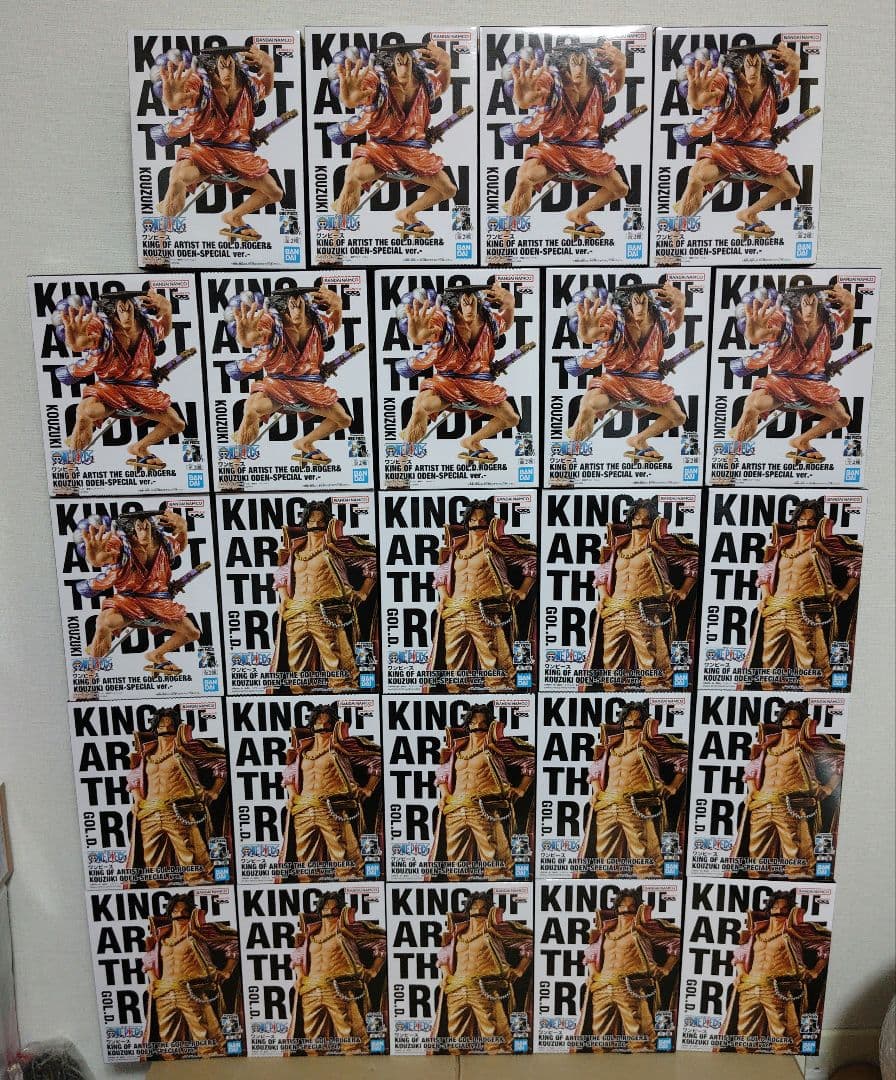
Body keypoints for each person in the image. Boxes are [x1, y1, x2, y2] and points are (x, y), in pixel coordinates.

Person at [153, 45, 284, 241]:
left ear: (236, 65)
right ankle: (160, 234)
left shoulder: (248, 85)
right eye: (221, 66)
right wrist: (172, 100)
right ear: (213, 67)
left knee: (274, 193)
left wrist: (270, 67)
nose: (226, 71)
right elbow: (181, 98)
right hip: (205, 152)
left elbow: (266, 86)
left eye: (229, 64)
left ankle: (234, 216)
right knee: (179, 177)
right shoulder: (200, 83)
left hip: (239, 156)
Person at [502, 42, 630, 239]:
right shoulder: (552, 79)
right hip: (554, 150)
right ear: (565, 63)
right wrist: (524, 99)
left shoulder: (599, 83)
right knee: (525, 176)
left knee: (620, 188)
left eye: (581, 62)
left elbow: (616, 84)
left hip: (588, 154)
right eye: (573, 63)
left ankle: (579, 214)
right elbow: (530, 96)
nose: (578, 69)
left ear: (588, 62)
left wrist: (621, 66)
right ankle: (506, 232)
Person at [672, 43, 802, 238]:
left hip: (760, 154)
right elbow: (703, 98)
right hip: (726, 151)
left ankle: (749, 214)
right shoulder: (725, 81)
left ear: (762, 64)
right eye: (747, 65)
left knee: (791, 188)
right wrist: (697, 99)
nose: (752, 71)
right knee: (697, 176)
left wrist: (796, 66)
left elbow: (789, 85)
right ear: (739, 66)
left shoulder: (772, 84)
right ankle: (675, 232)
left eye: (755, 64)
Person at [329, 42, 457, 237]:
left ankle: (408, 214)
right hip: (381, 150)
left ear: (413, 60)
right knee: (354, 175)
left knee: (448, 189)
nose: (403, 60)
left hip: (414, 153)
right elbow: (356, 96)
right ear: (391, 62)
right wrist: (350, 99)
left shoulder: (425, 82)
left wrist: (446, 66)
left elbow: (442, 84)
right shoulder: (377, 79)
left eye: (407, 55)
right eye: (398, 56)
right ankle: (335, 231)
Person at [59, 290, 184, 471]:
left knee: (177, 424)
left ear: (135, 308)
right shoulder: (102, 326)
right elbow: (84, 341)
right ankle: (70, 464)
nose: (126, 315)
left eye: (129, 309)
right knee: (87, 411)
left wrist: (168, 310)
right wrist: (76, 342)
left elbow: (164, 328)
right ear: (114, 311)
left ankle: (139, 448)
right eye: (121, 309)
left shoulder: (148, 327)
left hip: (143, 392)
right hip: (110, 389)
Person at [731, 282, 856, 463]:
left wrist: (850, 307)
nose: (809, 309)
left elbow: (844, 323)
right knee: (752, 405)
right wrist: (754, 335)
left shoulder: (828, 321)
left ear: (819, 303)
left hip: (813, 387)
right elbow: (759, 334)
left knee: (842, 419)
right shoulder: (782, 318)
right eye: (804, 303)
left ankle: (801, 441)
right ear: (796, 305)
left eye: (813, 303)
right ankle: (729, 459)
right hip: (781, 383)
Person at [745, 499, 862, 690]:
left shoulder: (823, 546)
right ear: (795, 521)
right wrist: (765, 595)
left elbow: (857, 562)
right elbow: (765, 572)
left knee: (814, 673)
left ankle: (816, 703)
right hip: (774, 612)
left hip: (805, 612)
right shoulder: (782, 547)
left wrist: (845, 592)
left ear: (819, 522)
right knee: (769, 675)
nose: (806, 523)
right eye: (802, 519)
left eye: (811, 519)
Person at [582, 499, 699, 690]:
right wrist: (603, 595)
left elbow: (693, 560)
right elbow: (602, 572)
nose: (640, 522)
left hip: (645, 611)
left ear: (653, 522)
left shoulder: (660, 544)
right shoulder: (618, 547)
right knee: (612, 675)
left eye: (646, 519)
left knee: (655, 673)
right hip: (614, 613)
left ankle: (658, 703)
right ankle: (613, 700)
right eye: (636, 518)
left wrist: (683, 591)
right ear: (630, 521)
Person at [230, 285, 352, 465]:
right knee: (251, 410)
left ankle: (305, 443)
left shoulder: (317, 323)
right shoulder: (271, 321)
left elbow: (334, 324)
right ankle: (236, 460)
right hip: (277, 386)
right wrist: (247, 338)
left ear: (306, 303)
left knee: (343, 420)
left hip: (310, 389)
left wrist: (338, 307)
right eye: (290, 304)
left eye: (298, 302)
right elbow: (254, 336)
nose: (295, 308)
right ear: (282, 307)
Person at [566, 283, 688, 460]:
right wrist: (586, 335)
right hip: (615, 383)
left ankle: (639, 440)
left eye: (643, 302)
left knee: (678, 417)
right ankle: (568, 456)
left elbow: (675, 321)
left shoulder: (659, 320)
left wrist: (681, 305)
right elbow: (594, 333)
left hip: (648, 386)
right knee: (588, 405)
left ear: (649, 302)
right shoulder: (614, 318)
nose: (639, 308)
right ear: (626, 305)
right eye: (634, 302)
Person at [400, 283, 519, 462]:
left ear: (479, 302)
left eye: (472, 303)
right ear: (456, 304)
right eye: (465, 303)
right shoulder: (443, 318)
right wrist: (418, 337)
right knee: (422, 406)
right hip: (447, 383)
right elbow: (428, 332)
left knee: (511, 418)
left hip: (479, 386)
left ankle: (472, 441)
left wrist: (510, 305)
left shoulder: (489, 320)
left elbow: (506, 323)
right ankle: (402, 458)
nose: (469, 308)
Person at [77, 507, 201, 676]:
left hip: (159, 604)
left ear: (151, 527)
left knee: (192, 633)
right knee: (104, 623)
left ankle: (156, 655)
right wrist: (94, 558)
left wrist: (183, 528)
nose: (143, 532)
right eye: (138, 528)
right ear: (131, 532)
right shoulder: (121, 544)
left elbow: (180, 543)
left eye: (145, 527)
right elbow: (104, 557)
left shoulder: (164, 544)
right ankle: (91, 670)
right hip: (128, 602)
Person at [428, 500, 537, 692]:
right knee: (455, 673)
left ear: (489, 522)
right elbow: (441, 574)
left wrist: (522, 591)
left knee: (496, 670)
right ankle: (458, 699)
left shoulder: (496, 546)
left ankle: (502, 701)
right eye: (473, 520)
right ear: (467, 522)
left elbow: (531, 561)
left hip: (484, 612)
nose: (477, 524)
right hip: (454, 613)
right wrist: (443, 596)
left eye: (482, 520)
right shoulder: (456, 549)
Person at [270, 501, 378, 693]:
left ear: (327, 523)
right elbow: (281, 574)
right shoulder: (296, 550)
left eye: (320, 521)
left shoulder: (336, 547)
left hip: (326, 613)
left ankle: (345, 702)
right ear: (306, 523)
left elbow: (372, 562)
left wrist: (363, 592)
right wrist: (284, 597)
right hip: (295, 615)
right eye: (311, 521)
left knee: (340, 674)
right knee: (298, 678)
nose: (315, 525)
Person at [732, 701, 844, 878]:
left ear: (803, 723)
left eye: (796, 719)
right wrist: (752, 790)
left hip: (790, 806)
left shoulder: (809, 745)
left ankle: (801, 887)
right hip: (761, 806)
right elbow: (751, 770)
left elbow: (841, 760)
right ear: (780, 722)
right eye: (786, 719)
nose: (791, 722)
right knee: (756, 863)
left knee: (798, 861)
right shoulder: (767, 747)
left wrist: (828, 788)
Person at [578, 701, 688, 878]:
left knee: (646, 861)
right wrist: (597, 790)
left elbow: (684, 758)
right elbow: (595, 770)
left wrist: (673, 786)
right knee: (604, 863)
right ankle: (606, 888)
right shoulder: (611, 746)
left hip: (636, 806)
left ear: (644, 723)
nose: (632, 724)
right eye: (628, 720)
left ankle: (652, 890)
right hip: (606, 806)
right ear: (623, 722)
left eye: (637, 720)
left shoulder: (650, 744)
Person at [429, 702, 535, 880]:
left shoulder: (497, 745)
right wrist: (445, 794)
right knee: (456, 869)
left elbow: (530, 760)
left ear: (490, 724)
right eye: (473, 723)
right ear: (467, 725)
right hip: (455, 810)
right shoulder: (457, 748)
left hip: (483, 808)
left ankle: (501, 892)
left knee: (497, 865)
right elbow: (442, 772)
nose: (478, 726)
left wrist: (521, 789)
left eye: (483, 723)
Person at [127, 705, 229, 886]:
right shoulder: (147, 753)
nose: (165, 729)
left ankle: (202, 886)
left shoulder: (186, 748)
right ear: (155, 728)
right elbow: (134, 776)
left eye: (170, 725)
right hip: (149, 813)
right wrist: (137, 799)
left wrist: (214, 791)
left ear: (177, 727)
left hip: (177, 810)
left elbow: (221, 762)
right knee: (153, 868)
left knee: (193, 862)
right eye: (161, 725)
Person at [277, 704, 382, 881]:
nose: (323, 727)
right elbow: (288, 773)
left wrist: (368, 788)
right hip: (303, 810)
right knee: (305, 865)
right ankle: (308, 889)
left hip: (331, 808)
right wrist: (292, 794)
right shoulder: (303, 750)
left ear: (333, 726)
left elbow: (376, 761)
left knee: (345, 861)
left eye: (327, 723)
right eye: (319, 723)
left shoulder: (341, 748)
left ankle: (351, 889)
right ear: (313, 726)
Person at [721, 891, 831, 1054]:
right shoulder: (757, 934)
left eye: (784, 909)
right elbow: (739, 954)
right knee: (744, 1040)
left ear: (791, 912)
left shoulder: (794, 934)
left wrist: (815, 971)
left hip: (776, 989)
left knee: (783, 1040)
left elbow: (826, 946)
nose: (779, 911)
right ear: (769, 910)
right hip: (749, 988)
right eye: (775, 908)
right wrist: (741, 972)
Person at [575, 889, 680, 1052]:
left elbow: (676, 941)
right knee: (600, 1042)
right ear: (616, 908)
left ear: (637, 909)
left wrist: (666, 968)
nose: (626, 910)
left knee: (641, 1040)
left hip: (629, 987)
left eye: (631, 906)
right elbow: (590, 953)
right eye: (622, 906)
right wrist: (594, 973)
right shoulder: (606, 931)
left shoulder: (643, 929)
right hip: (601, 988)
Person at [286, 890, 387, 1056]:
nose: (329, 913)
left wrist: (373, 970)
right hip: (310, 989)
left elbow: (381, 942)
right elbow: (297, 955)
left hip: (337, 987)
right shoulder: (311, 933)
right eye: (325, 909)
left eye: (334, 909)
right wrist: (300, 976)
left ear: (340, 911)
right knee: (313, 1043)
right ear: (320, 911)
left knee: (352, 1040)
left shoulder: (348, 930)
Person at [141, 893, 241, 1059]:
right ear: (170, 914)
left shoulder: (198, 932)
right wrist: (153, 980)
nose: (180, 914)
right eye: (176, 911)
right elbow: (149, 959)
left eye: (185, 911)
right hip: (164, 993)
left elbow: (234, 943)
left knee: (208, 1043)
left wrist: (227, 970)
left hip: (191, 990)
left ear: (191, 913)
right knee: (169, 1047)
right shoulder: (161, 937)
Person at [434, 892, 533, 1054]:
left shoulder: (495, 931)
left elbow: (529, 942)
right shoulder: (458, 933)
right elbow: (444, 954)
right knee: (456, 1042)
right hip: (456, 989)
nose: (478, 910)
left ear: (489, 911)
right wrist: (446, 974)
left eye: (483, 908)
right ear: (468, 910)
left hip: (483, 989)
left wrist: (520, 970)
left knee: (496, 1040)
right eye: (474, 907)